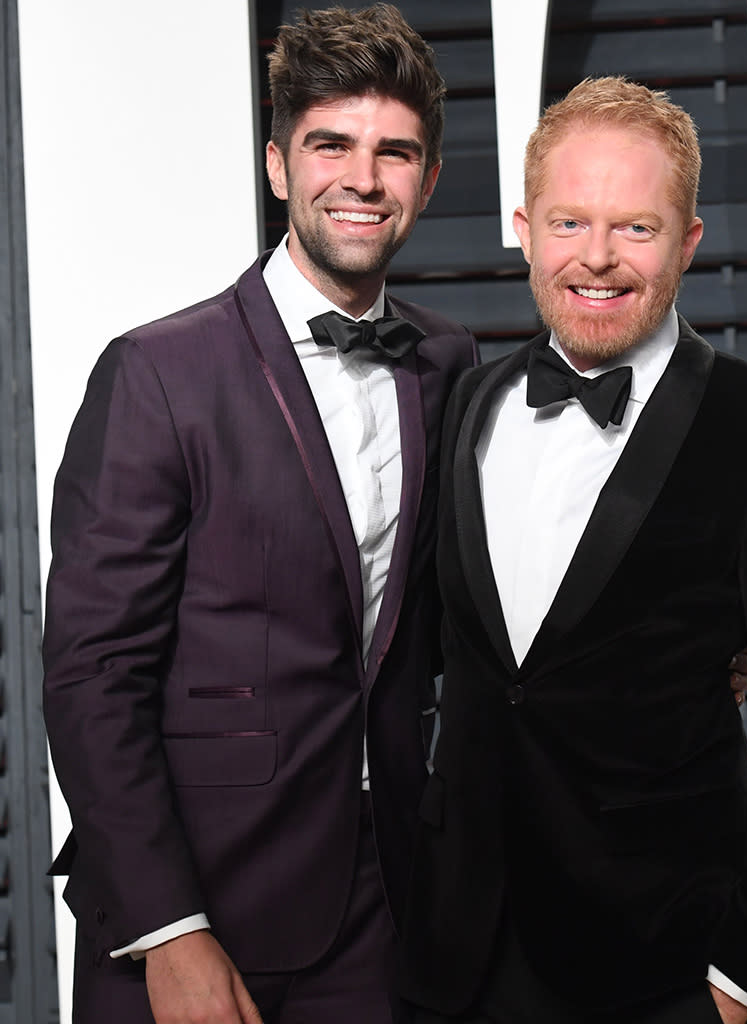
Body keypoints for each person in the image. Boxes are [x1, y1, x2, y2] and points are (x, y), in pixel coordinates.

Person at [400, 77, 747, 1024]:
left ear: (689, 242)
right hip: (450, 961)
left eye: (636, 228)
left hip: (661, 973)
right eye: (570, 222)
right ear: (525, 229)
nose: (598, 257)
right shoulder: (466, 402)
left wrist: (745, 983)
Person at [41, 6, 478, 1023]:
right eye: (332, 144)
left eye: (394, 152)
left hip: (386, 911)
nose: (363, 179)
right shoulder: (157, 372)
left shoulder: (449, 362)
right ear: (279, 166)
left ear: (430, 179)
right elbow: (92, 671)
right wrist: (168, 929)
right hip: (192, 906)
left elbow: (464, 616)